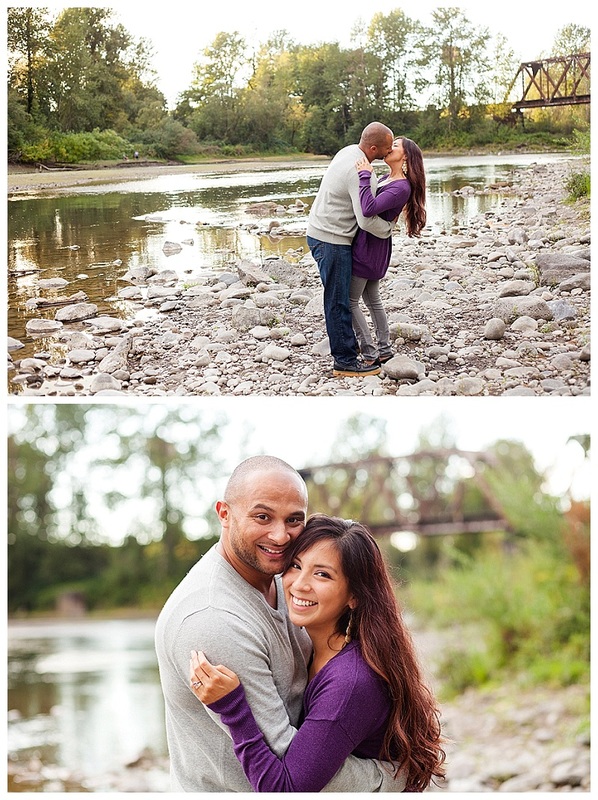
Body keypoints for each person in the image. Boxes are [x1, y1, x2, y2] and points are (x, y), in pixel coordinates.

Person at [155, 456, 404, 792]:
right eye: (262, 516)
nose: (281, 535)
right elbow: (288, 769)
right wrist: (390, 779)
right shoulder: (214, 619)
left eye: (293, 520)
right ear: (224, 514)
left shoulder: (280, 580)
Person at [190, 513, 446, 793]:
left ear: (354, 595)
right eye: (296, 566)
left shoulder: (349, 682)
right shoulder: (315, 649)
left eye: (322, 574)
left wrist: (233, 708)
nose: (300, 584)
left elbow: (286, 790)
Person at [306, 122, 395, 378]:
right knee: (338, 301)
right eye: (387, 148)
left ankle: (353, 352)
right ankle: (344, 361)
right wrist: (388, 228)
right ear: (374, 147)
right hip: (331, 239)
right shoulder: (357, 171)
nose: (389, 153)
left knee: (341, 299)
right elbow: (366, 219)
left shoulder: (348, 151)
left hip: (322, 233)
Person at [350, 137, 427, 367]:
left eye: (395, 146)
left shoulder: (401, 186)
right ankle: (384, 350)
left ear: (405, 157)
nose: (389, 148)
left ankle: (370, 353)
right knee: (373, 299)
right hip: (374, 244)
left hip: (370, 248)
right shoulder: (387, 178)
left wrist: (364, 175)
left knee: (350, 300)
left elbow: (368, 208)